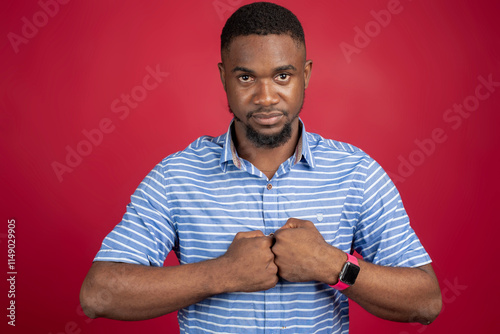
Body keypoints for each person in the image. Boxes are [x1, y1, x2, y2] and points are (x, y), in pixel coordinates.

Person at [80, 2, 442, 333]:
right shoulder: (175, 178)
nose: (266, 97)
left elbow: (426, 301)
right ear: (224, 78)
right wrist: (219, 273)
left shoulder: (357, 174)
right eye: (246, 78)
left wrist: (331, 265)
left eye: (282, 76)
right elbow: (99, 294)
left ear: (306, 75)